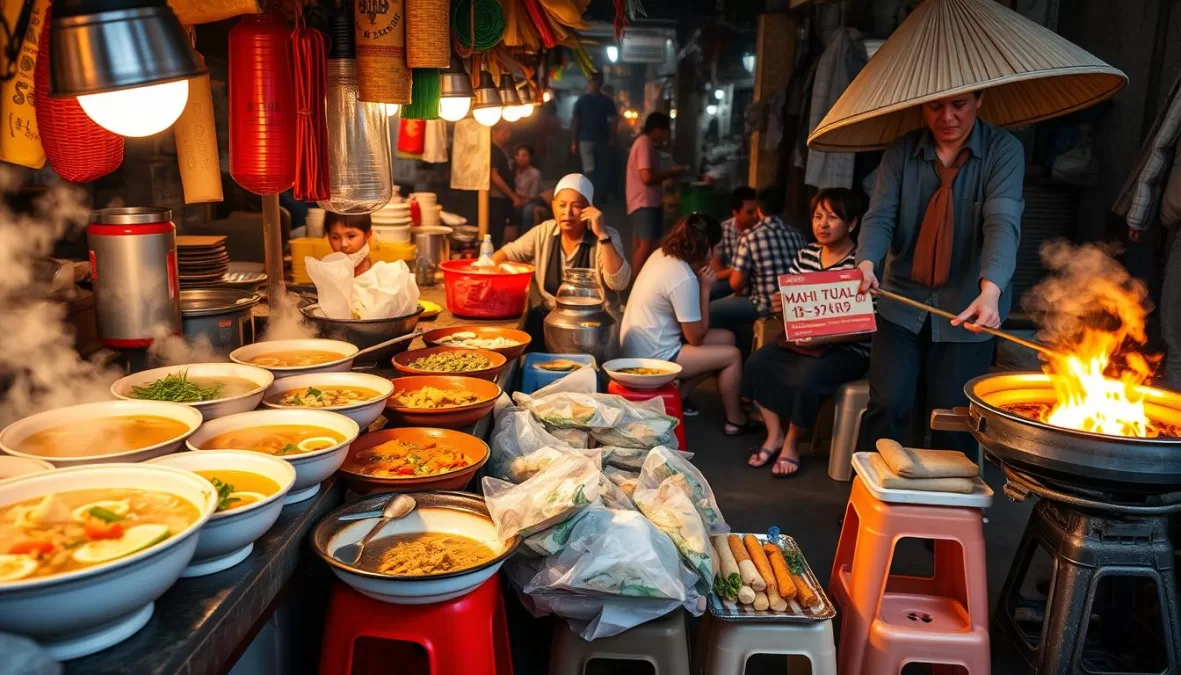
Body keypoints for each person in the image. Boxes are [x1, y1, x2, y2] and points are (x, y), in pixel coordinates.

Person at [856, 90, 1023, 455]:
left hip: (966, 307)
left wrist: (991, 290)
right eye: (936, 106)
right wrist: (867, 263)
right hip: (901, 301)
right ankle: (872, 503)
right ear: (922, 106)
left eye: (959, 105)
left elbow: (1002, 222)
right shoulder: (902, 151)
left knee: (955, 416)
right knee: (888, 405)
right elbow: (880, 215)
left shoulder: (1003, 151)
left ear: (980, 100)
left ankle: (949, 510)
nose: (947, 117)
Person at [744, 189, 871, 477]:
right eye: (817, 216)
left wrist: (822, 337)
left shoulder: (861, 263)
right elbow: (793, 310)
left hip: (847, 350)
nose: (822, 224)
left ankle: (791, 442)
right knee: (756, 364)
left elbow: (864, 329)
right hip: (803, 343)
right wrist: (780, 308)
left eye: (832, 217)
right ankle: (774, 433)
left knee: (807, 378)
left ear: (851, 224)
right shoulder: (807, 254)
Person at [620, 214, 754, 437]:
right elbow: (696, 338)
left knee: (727, 338)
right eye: (715, 247)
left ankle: (680, 394)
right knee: (732, 356)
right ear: (705, 247)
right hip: (655, 356)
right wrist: (706, 288)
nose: (716, 254)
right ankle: (735, 420)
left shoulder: (662, 255)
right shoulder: (683, 277)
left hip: (642, 345)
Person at [493, 173, 631, 344]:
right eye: (562, 205)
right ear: (553, 206)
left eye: (576, 206)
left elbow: (619, 283)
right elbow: (507, 253)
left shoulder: (606, 236)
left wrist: (602, 235)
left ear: (589, 209)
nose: (568, 212)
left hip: (594, 327)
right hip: (552, 321)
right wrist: (483, 269)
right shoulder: (544, 232)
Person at [710, 187, 806, 351]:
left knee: (712, 310)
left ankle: (736, 354)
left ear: (759, 210)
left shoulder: (750, 236)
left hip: (765, 305)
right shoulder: (798, 235)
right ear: (783, 209)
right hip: (792, 304)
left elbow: (736, 284)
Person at [626, 112, 686, 275]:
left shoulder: (644, 143)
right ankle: (635, 286)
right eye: (665, 131)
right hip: (645, 202)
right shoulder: (644, 143)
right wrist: (671, 173)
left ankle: (633, 283)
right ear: (657, 129)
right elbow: (646, 177)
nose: (666, 135)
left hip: (641, 201)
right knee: (646, 245)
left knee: (639, 245)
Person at [570, 72, 618, 205]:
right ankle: (590, 198)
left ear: (600, 84)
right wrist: (574, 141)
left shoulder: (605, 101)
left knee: (599, 171)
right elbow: (576, 121)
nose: (593, 84)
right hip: (587, 140)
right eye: (592, 82)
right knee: (590, 171)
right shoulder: (584, 101)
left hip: (599, 140)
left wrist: (612, 138)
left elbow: (613, 122)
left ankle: (597, 198)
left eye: (595, 82)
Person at [710, 186, 759, 300]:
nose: (755, 216)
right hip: (730, 280)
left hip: (756, 283)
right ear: (735, 212)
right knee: (708, 292)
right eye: (749, 212)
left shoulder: (762, 230)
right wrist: (737, 270)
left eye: (757, 211)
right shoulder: (723, 230)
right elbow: (715, 270)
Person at [489, 124, 524, 245]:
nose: (508, 133)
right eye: (505, 130)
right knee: (495, 235)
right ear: (494, 132)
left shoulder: (503, 150)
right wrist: (513, 196)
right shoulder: (492, 150)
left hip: (505, 198)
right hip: (496, 198)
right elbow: (494, 176)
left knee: (503, 233)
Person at [325, 212, 373, 277]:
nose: (343, 244)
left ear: (368, 235)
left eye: (351, 236)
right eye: (335, 237)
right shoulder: (326, 275)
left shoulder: (383, 278)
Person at [513, 144, 545, 231]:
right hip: (514, 200)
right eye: (518, 155)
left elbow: (533, 195)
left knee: (527, 211)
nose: (520, 158)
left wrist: (520, 201)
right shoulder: (513, 171)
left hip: (530, 201)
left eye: (524, 155)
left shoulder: (535, 173)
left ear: (530, 158)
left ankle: (524, 236)